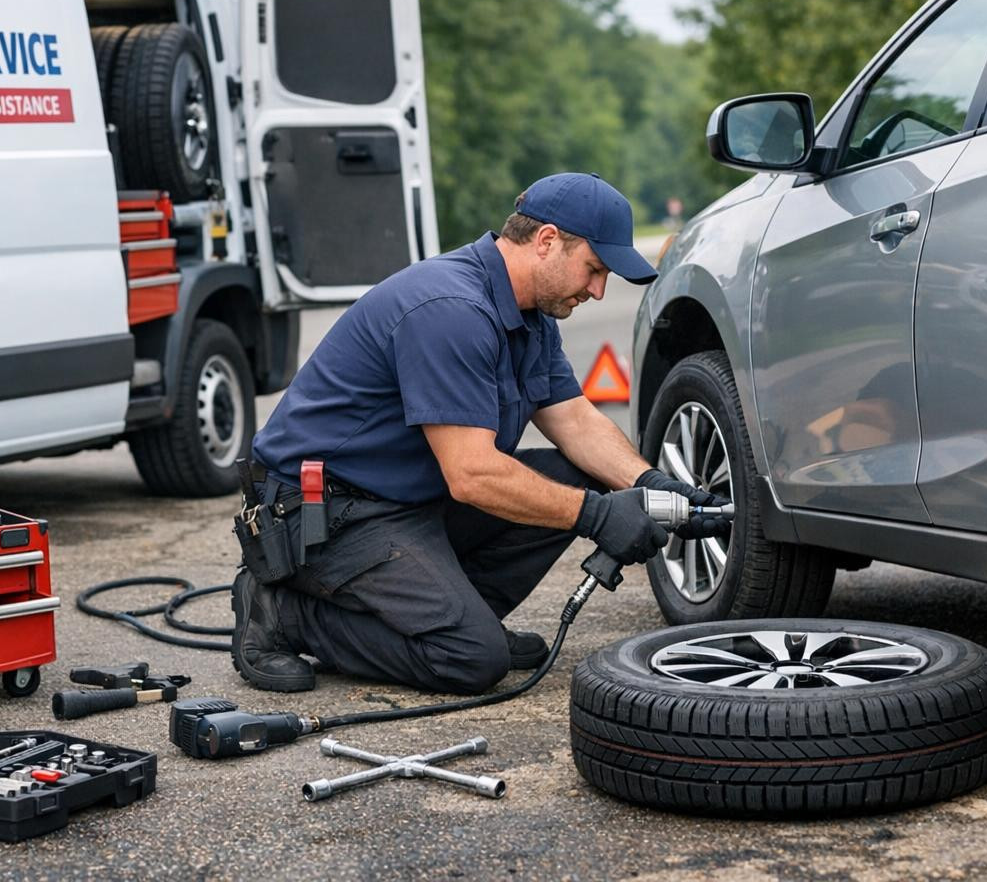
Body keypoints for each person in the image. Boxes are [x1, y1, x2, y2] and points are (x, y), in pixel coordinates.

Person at [231, 172, 729, 695]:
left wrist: (651, 484)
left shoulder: (531, 315)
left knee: (577, 476)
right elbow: (471, 475)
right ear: (547, 241)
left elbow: (575, 421)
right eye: (594, 269)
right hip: (324, 514)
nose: (598, 291)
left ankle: (459, 617)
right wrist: (597, 516)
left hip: (405, 500)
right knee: (470, 659)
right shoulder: (452, 310)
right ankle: (284, 614)